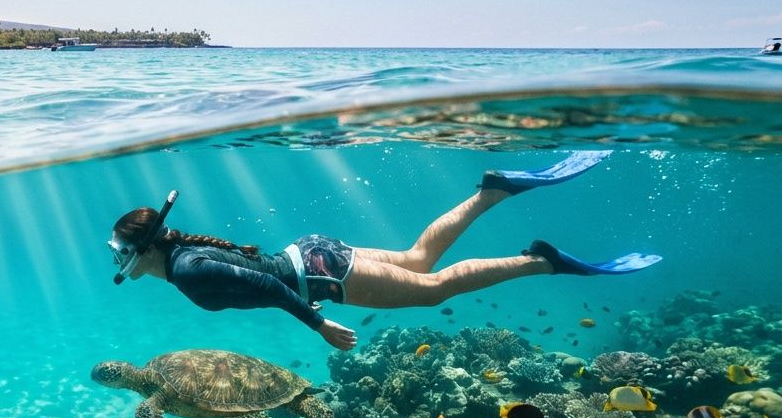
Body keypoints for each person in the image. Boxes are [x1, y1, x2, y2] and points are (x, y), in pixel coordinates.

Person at [108, 152, 660, 351]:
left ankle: (542, 260)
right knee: (419, 258)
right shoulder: (183, 260)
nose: (116, 261)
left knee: (432, 289)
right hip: (314, 252)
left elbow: (267, 287)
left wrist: (317, 325)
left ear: (143, 250)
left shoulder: (187, 270)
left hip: (318, 277)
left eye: (118, 251)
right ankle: (492, 190)